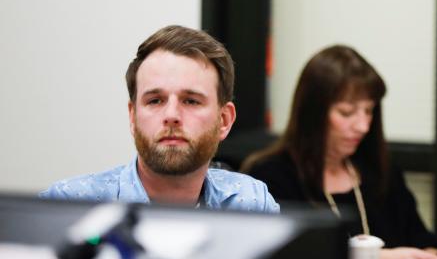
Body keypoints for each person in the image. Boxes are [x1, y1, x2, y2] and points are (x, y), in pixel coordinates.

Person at [242, 45, 437, 259]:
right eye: (347, 112)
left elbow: (419, 238)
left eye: (368, 111)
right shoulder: (270, 176)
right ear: (313, 112)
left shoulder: (381, 172)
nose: (363, 126)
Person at [41, 25, 279, 212]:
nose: (171, 116)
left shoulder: (251, 203)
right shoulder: (68, 206)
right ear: (133, 117)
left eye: (191, 101)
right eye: (155, 100)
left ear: (224, 120)